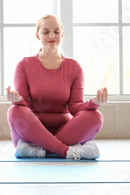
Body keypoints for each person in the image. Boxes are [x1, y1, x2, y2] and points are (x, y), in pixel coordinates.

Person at [6, 14, 108, 160]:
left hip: (66, 131)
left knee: (96, 116)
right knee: (14, 111)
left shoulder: (74, 67)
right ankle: (66, 151)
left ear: (62, 34)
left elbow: (75, 107)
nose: (51, 35)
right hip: (33, 132)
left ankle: (41, 150)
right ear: (37, 35)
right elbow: (25, 106)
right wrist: (17, 101)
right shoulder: (24, 65)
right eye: (46, 32)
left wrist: (94, 103)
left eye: (56, 31)